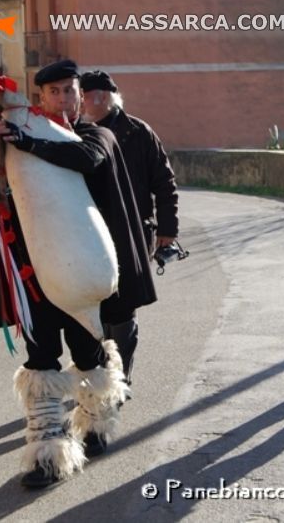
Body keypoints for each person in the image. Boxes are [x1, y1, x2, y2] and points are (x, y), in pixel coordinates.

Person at [0, 59, 157, 488]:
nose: (64, 98)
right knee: (41, 361)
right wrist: (1, 143)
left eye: (70, 90)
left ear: (80, 96)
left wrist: (26, 140)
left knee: (88, 354)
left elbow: (85, 157)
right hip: (34, 274)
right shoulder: (20, 140)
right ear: (41, 98)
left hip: (83, 273)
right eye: (55, 92)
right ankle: (46, 457)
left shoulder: (95, 133)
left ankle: (96, 423)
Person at [79, 70, 180, 384]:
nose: (93, 100)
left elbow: (164, 184)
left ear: (111, 97)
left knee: (123, 311)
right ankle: (96, 374)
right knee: (93, 308)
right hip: (87, 235)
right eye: (87, 94)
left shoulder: (138, 132)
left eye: (100, 95)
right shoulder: (75, 133)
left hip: (133, 233)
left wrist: (168, 231)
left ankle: (120, 377)